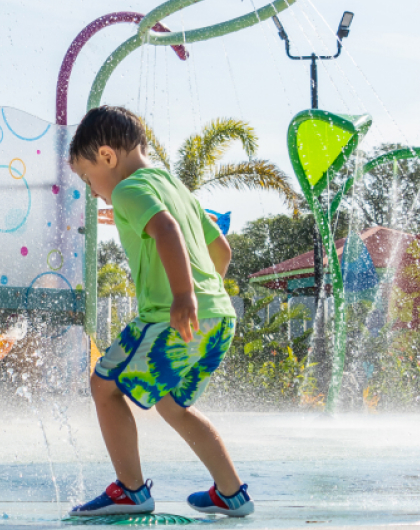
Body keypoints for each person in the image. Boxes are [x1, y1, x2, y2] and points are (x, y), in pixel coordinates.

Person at [67, 106, 251, 517]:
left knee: (104, 386)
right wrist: (204, 297)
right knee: (171, 405)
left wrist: (184, 297)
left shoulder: (128, 190)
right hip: (219, 316)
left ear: (108, 157)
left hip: (169, 313)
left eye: (87, 176)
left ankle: (131, 490)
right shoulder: (172, 185)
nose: (92, 189)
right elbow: (222, 248)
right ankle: (231, 493)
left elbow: (165, 230)